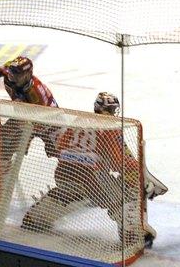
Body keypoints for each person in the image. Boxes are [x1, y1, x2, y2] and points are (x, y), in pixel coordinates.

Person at [21, 93, 164, 249]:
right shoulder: (111, 127)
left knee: (66, 194)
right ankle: (132, 232)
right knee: (123, 195)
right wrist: (140, 177)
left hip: (63, 173)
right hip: (91, 178)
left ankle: (36, 217)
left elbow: (60, 146)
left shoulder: (78, 120)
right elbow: (120, 162)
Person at [0, 56, 59, 161]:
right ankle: (5, 171)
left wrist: (19, 130)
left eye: (16, 76)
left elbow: (36, 121)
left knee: (59, 154)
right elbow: (1, 69)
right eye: (11, 74)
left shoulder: (35, 92)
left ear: (27, 75)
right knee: (4, 143)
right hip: (25, 116)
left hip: (49, 122)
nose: (12, 77)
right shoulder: (11, 71)